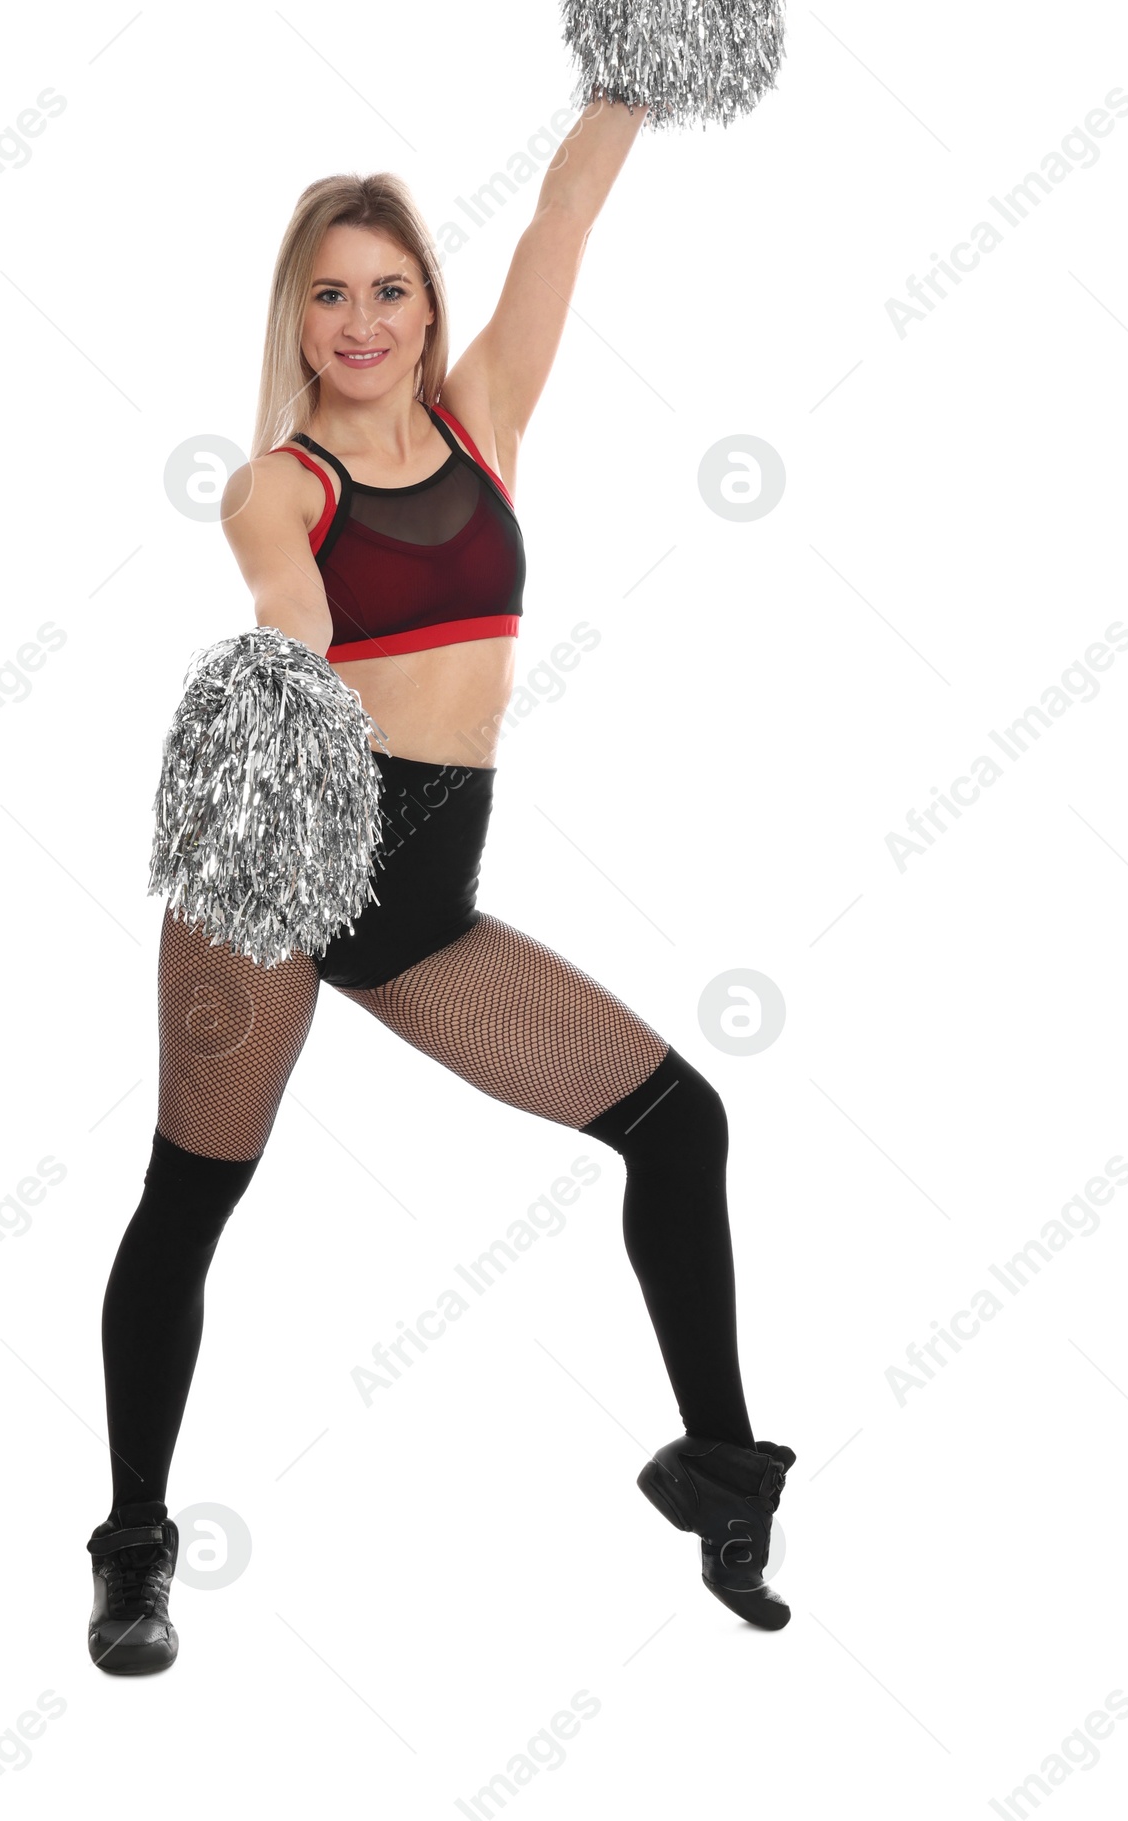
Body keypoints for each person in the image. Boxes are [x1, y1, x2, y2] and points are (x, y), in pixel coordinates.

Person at [85, 100, 794, 1674]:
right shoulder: (276, 481)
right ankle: (135, 1547)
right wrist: (284, 671)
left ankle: (720, 1479)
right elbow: (285, 596)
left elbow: (561, 222)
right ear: (298, 315)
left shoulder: (487, 425)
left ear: (426, 307)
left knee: (680, 1124)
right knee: (192, 1199)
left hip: (422, 913)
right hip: (274, 875)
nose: (359, 322)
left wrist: (624, 76)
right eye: (329, 295)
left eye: (387, 290)